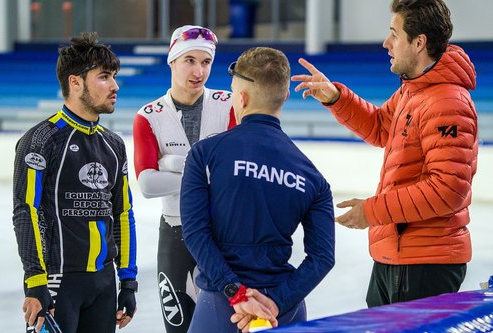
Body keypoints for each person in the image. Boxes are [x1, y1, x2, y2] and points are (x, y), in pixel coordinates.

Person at [293, 0, 477, 308]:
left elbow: (448, 190)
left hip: (423, 260)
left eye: (394, 34)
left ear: (419, 43)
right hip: (400, 253)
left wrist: (372, 211)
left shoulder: (446, 102)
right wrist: (336, 97)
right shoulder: (414, 90)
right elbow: (381, 127)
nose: (386, 43)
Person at [180, 46, 336, 332]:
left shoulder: (205, 154)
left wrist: (235, 292)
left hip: (221, 307)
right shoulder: (313, 177)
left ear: (241, 98)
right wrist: (276, 302)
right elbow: (323, 257)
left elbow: (195, 232)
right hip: (283, 311)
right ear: (285, 96)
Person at [12, 32, 138, 333]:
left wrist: (128, 281)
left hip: (105, 284)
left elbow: (123, 214)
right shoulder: (41, 140)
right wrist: (35, 280)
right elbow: (26, 211)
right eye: (104, 77)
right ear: (75, 82)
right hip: (57, 283)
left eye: (114, 77)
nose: (115, 86)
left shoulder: (114, 144)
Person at [133, 25, 235, 332]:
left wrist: (173, 164)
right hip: (175, 234)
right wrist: (204, 173)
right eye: (189, 60)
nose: (198, 70)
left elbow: (232, 173)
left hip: (222, 233)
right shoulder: (149, 116)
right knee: (178, 326)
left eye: (205, 62)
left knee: (226, 324)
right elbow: (148, 184)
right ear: (172, 61)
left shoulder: (228, 104)